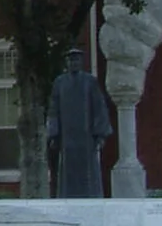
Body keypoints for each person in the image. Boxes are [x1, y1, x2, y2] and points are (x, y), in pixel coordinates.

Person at [46, 47, 114, 198]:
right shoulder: (60, 83)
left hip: (87, 137)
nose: (74, 63)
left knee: (89, 170)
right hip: (67, 137)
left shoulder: (90, 82)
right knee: (67, 170)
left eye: (77, 60)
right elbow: (53, 109)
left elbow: (99, 106)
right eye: (71, 60)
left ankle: (91, 195)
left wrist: (100, 134)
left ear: (82, 62)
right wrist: (54, 134)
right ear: (67, 62)